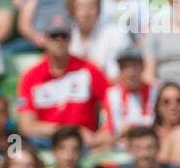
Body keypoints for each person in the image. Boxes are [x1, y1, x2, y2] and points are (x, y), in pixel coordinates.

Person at [15, 12, 110, 144]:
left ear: (71, 38)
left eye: (64, 36)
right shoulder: (31, 76)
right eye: (54, 36)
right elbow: (26, 126)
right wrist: (68, 131)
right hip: (47, 140)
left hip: (83, 143)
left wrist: (101, 135)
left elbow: (110, 105)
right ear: (45, 38)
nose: (59, 41)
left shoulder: (89, 70)